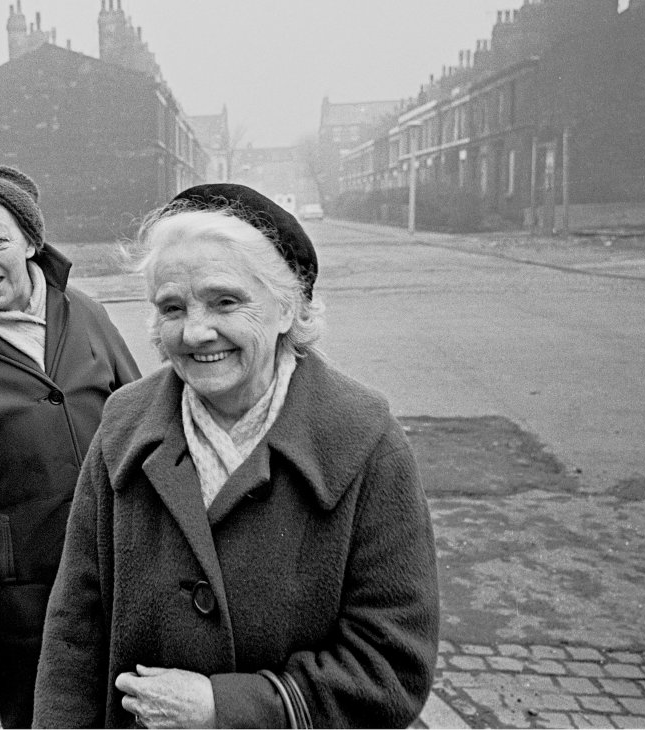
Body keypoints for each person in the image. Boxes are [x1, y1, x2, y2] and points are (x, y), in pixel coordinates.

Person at [33, 183, 439, 728]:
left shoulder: (367, 443)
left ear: (286, 308)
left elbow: (392, 668)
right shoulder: (123, 428)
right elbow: (74, 634)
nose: (196, 331)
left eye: (225, 301)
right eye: (171, 308)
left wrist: (224, 709)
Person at [0, 162, 140, 728]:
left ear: (31, 241)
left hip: (122, 578)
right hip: (22, 608)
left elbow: (145, 428)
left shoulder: (86, 313)